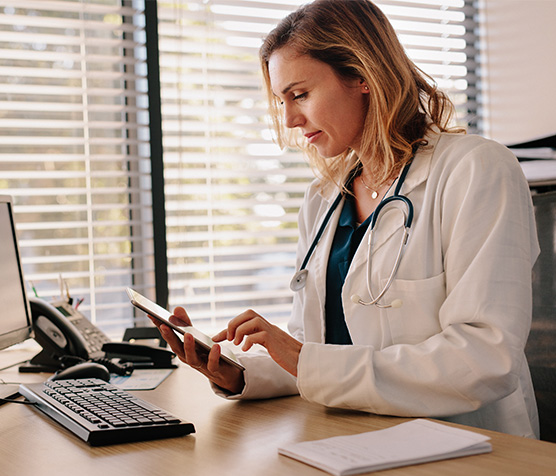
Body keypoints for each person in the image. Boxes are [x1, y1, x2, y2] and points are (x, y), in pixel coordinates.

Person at [152, 0, 540, 439]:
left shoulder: (476, 170)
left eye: (300, 94)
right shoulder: (323, 200)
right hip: (346, 441)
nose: (291, 120)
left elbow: (486, 358)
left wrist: (303, 358)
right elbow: (319, 357)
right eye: (282, 101)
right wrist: (238, 373)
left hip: (463, 446)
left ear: (362, 75)